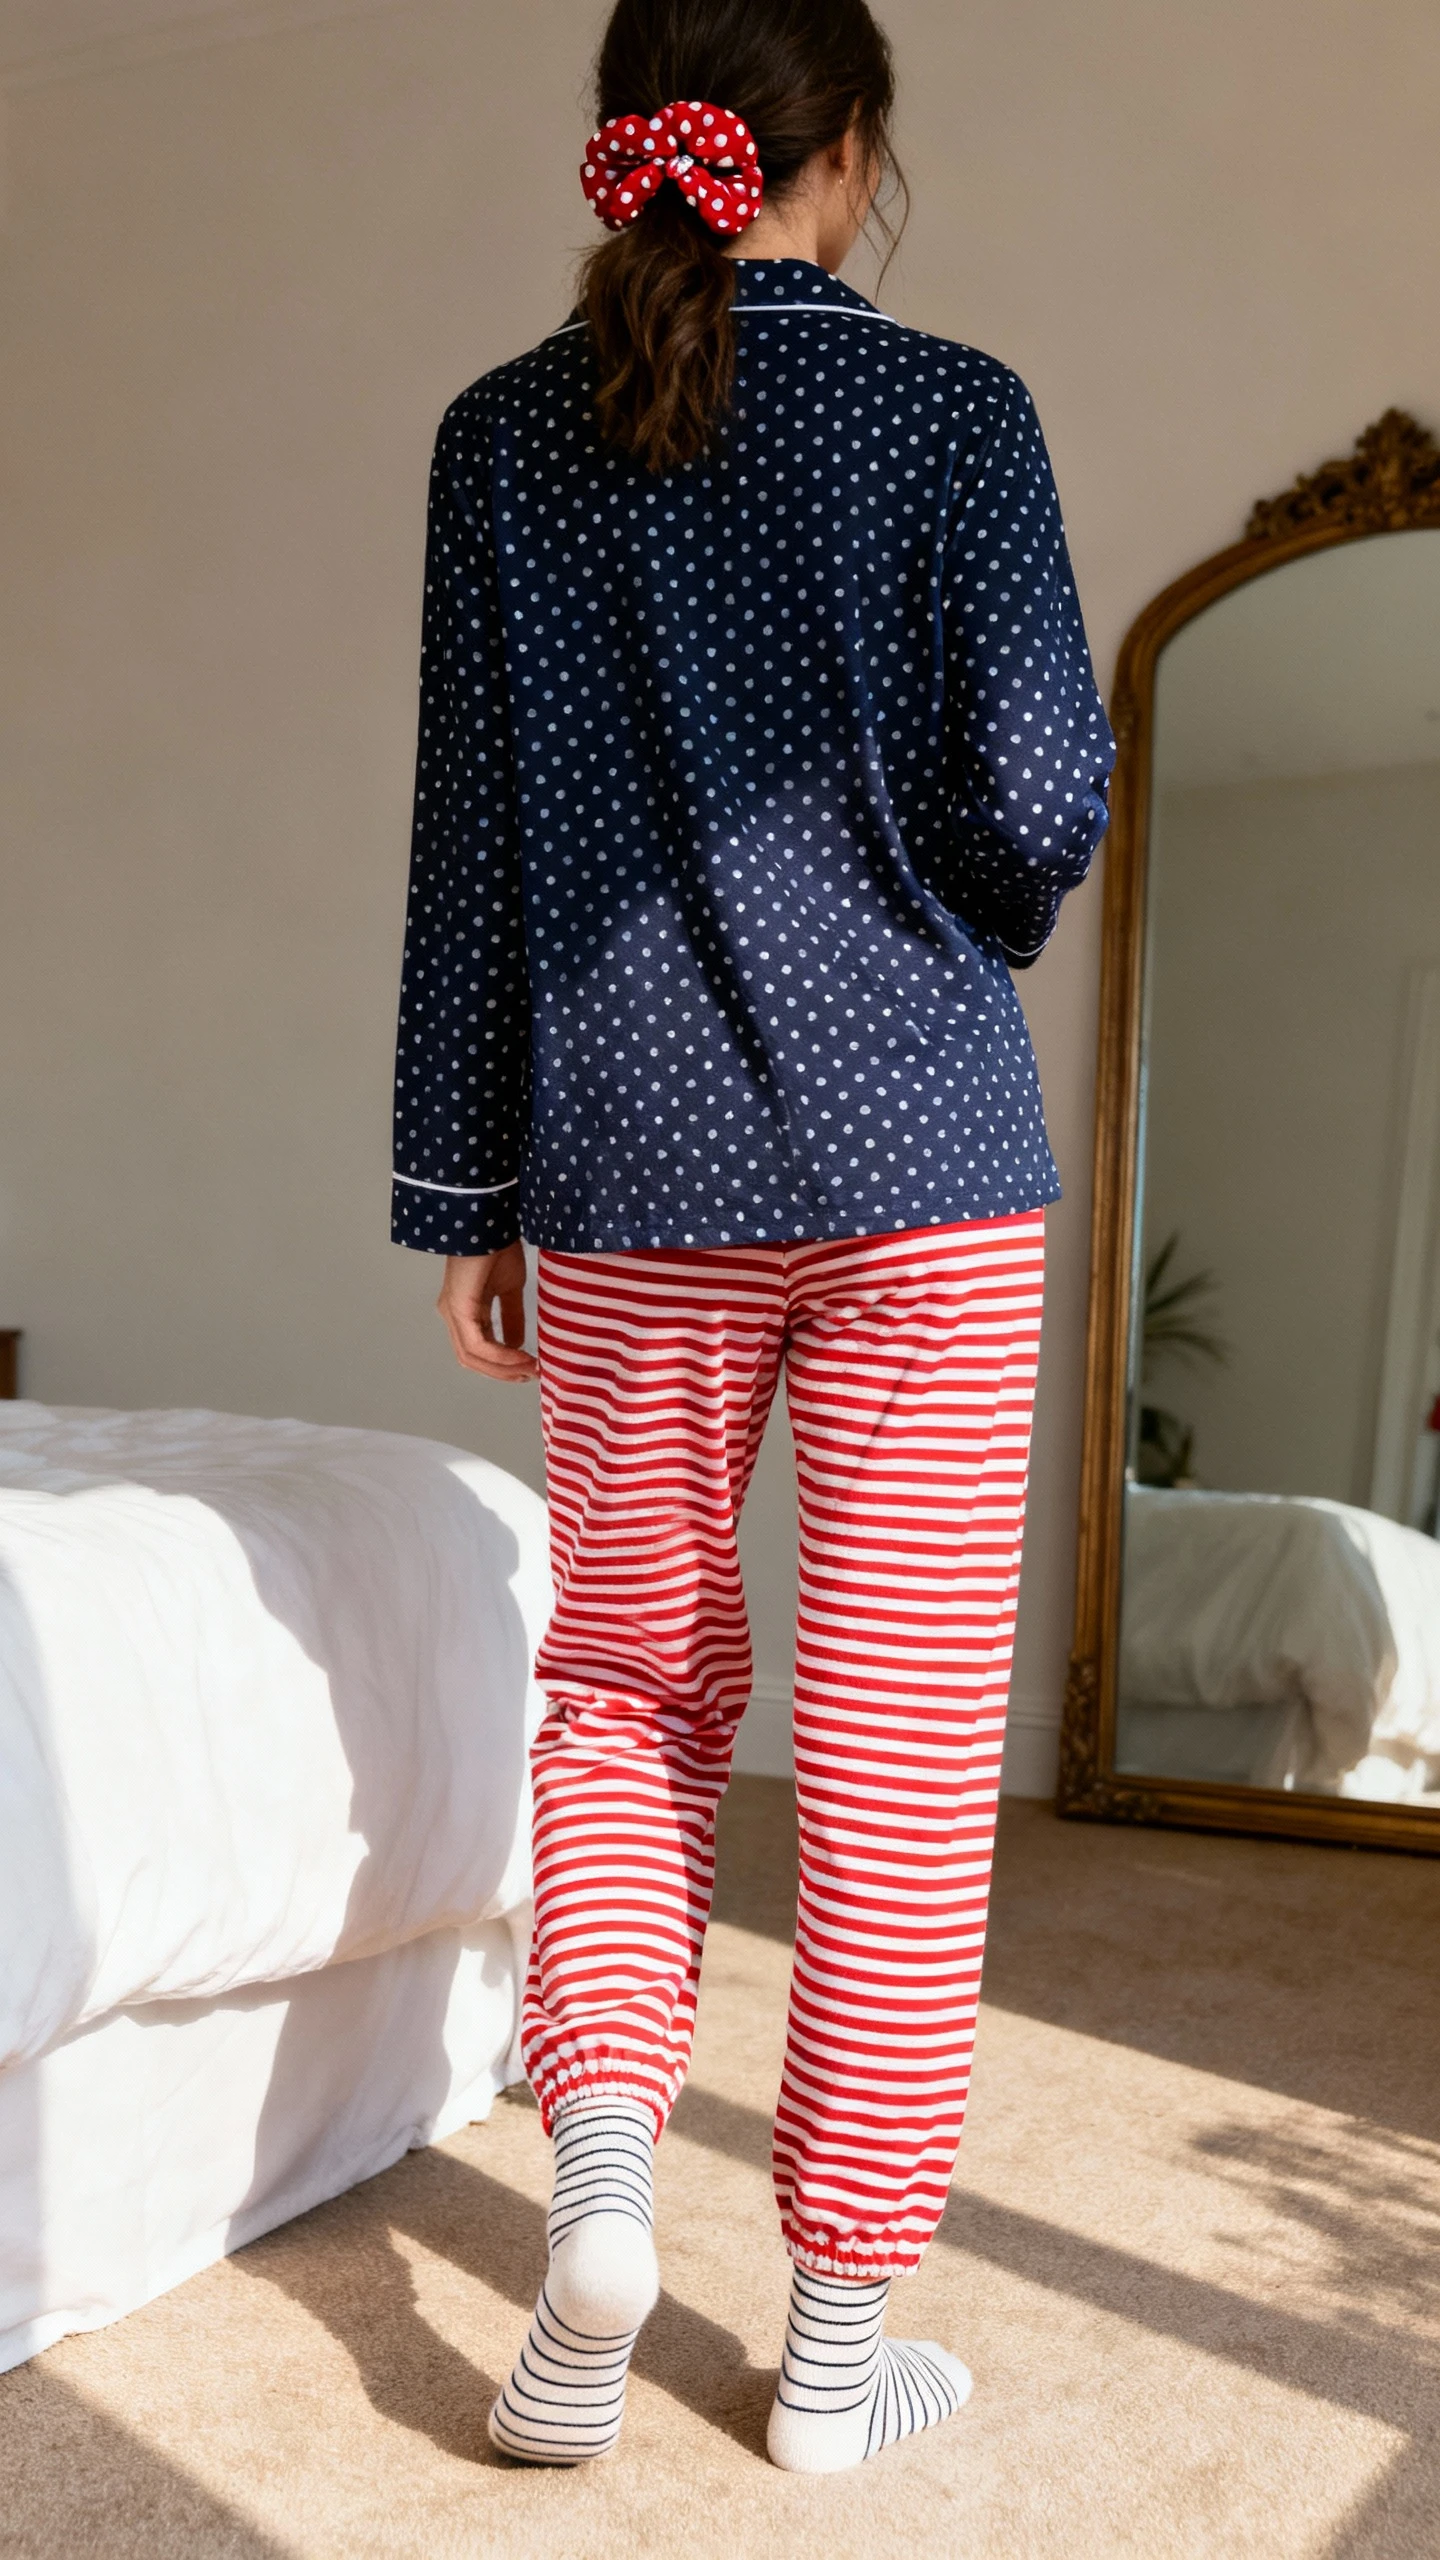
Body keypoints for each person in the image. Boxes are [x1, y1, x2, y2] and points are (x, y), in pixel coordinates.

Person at [391, 0, 1113, 2477]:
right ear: (853, 149)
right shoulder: (958, 410)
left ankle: (599, 2190)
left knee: (624, 1684)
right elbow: (1039, 785)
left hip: (619, 1168)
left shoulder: (502, 435)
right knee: (902, 1752)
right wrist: (955, 898)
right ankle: (836, 2343)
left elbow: (469, 842)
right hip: (928, 1165)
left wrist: (461, 1187)